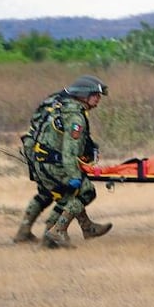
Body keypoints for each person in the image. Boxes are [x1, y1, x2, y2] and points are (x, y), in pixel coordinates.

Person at [15, 75, 113, 248]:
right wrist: (74, 175)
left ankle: (35, 235)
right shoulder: (75, 117)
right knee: (84, 192)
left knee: (48, 194)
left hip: (38, 159)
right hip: (53, 163)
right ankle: (56, 232)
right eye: (95, 95)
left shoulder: (56, 103)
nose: (98, 99)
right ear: (83, 96)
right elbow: (70, 150)